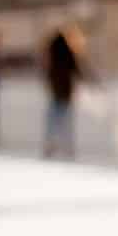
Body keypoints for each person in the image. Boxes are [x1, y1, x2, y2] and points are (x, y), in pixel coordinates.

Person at [41, 21, 92, 160]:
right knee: (66, 120)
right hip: (66, 89)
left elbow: (47, 70)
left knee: (53, 118)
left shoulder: (52, 50)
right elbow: (78, 70)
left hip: (55, 89)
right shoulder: (69, 51)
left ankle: (51, 144)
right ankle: (67, 146)